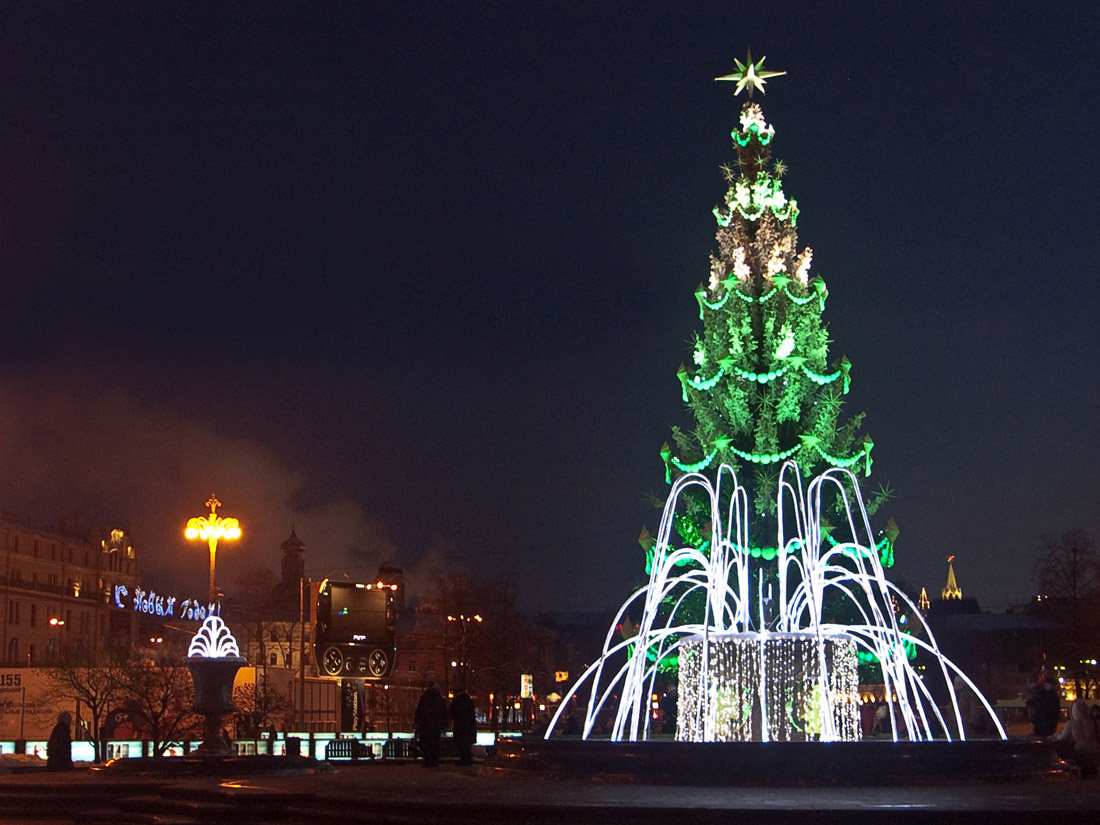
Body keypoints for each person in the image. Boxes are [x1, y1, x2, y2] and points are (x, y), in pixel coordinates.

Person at [1056, 699, 1100, 779]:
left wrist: (1056, 736)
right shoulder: (1094, 722)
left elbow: (1063, 738)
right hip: (1096, 748)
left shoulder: (1071, 723)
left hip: (1080, 749)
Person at [413, 683, 448, 767]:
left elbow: (419, 712)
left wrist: (417, 723)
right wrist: (444, 725)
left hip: (425, 726)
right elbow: (444, 713)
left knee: (426, 744)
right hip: (436, 726)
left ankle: (427, 761)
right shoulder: (440, 700)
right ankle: (435, 762)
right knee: (435, 744)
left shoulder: (424, 698)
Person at [449, 689, 477, 766]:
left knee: (461, 745)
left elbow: (451, 712)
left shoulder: (457, 701)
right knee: (466, 745)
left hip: (460, 727)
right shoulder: (469, 700)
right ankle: (467, 760)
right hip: (469, 728)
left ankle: (464, 760)